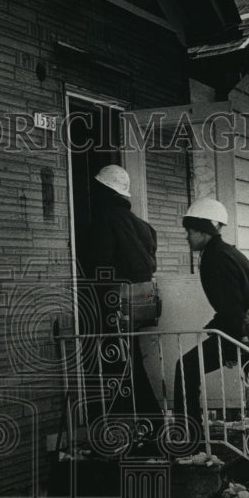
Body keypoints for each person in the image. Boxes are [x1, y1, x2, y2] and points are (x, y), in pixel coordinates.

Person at [172, 198, 249, 436]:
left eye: (190, 231)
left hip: (244, 333)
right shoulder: (228, 252)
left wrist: (233, 343)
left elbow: (231, 306)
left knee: (186, 368)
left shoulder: (215, 258)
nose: (187, 237)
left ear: (203, 230)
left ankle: (188, 437)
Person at [77, 164, 163, 444]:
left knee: (122, 364)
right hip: (143, 299)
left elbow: (99, 263)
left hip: (116, 302)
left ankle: (148, 425)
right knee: (132, 359)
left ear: (103, 190)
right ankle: (148, 424)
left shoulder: (104, 219)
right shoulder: (142, 225)